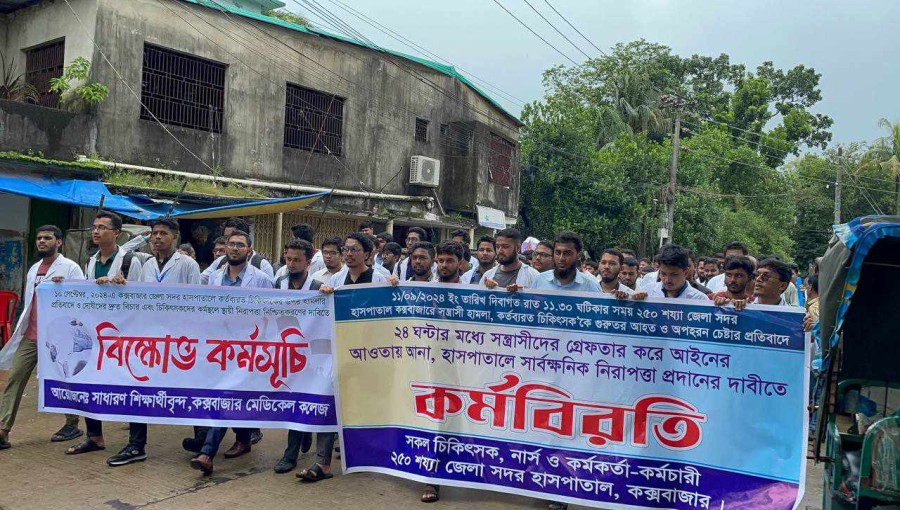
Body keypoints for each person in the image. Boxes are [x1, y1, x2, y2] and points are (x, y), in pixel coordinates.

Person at [106, 218, 201, 467]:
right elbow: (136, 294)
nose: (157, 237)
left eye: (162, 233)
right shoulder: (145, 264)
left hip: (180, 339)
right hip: (150, 339)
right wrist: (121, 285)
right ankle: (136, 445)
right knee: (139, 385)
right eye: (154, 234)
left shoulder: (188, 265)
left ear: (175, 237)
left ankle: (201, 440)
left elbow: (199, 302)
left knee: (189, 388)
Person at [298, 233, 389, 484]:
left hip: (369, 355)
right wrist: (324, 294)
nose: (349, 254)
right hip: (337, 351)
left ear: (368, 254)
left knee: (362, 408)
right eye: (346, 249)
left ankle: (364, 456)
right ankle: (322, 462)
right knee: (329, 403)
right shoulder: (337, 279)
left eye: (355, 250)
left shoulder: (379, 279)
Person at [189, 230, 274, 475]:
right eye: (231, 244)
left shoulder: (260, 279)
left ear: (249, 250)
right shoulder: (214, 278)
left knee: (227, 396)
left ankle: (207, 452)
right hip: (218, 348)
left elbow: (268, 313)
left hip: (247, 348)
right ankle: (244, 439)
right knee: (229, 395)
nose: (235, 248)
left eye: (240, 245)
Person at [65, 212, 145, 456]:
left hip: (124, 335)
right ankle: (94, 436)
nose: (96, 231)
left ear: (116, 233)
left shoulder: (131, 261)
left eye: (102, 227)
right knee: (89, 381)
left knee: (131, 385)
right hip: (95, 333)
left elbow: (141, 298)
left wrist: (121, 286)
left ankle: (136, 444)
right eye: (94, 227)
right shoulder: (91, 261)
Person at [0, 225, 85, 450]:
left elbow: (81, 298)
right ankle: (3, 430)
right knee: (15, 378)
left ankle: (72, 423)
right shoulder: (34, 269)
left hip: (58, 336)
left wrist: (63, 288)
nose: (42, 242)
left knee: (63, 379)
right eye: (39, 238)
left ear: (59, 242)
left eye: (47, 238)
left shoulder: (70, 268)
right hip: (31, 335)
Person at [272, 239, 325, 474]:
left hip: (309, 355)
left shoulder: (317, 287)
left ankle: (290, 455)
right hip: (284, 353)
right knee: (290, 401)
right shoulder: (279, 283)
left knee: (300, 402)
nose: (291, 264)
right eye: (288, 259)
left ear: (308, 262)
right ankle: (304, 432)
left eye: (296, 260)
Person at [200, 218, 274, 284]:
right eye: (226, 237)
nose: (234, 247)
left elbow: (269, 296)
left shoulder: (262, 265)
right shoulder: (220, 261)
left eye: (239, 243)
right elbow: (200, 280)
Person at [532, 232, 602, 293]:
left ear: (578, 255)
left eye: (567, 253)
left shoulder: (591, 285)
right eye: (558, 253)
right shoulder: (539, 280)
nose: (561, 258)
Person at [645, 244, 710, 301]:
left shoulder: (700, 300)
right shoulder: (647, 293)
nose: (667, 280)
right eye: (663, 274)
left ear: (685, 272)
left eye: (674, 275)